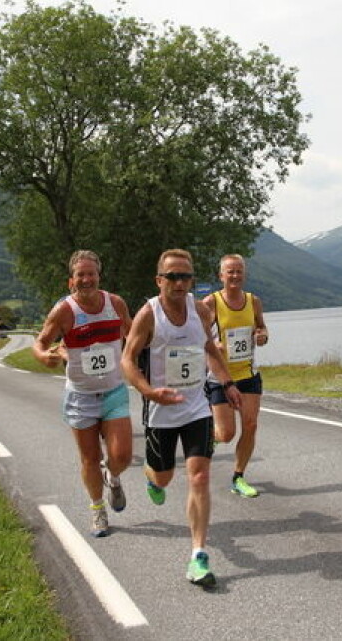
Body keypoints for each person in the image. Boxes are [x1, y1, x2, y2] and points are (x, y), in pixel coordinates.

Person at [121, 248, 241, 588]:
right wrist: (148, 391)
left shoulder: (200, 311)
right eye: (172, 276)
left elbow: (209, 349)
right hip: (160, 409)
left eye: (185, 276)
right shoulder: (148, 314)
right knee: (163, 478)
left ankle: (198, 555)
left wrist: (227, 382)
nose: (179, 282)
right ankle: (151, 477)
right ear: (159, 280)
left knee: (200, 476)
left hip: (196, 407)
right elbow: (127, 360)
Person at [32, 250, 133, 538]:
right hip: (81, 396)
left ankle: (112, 476)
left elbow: (136, 334)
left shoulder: (115, 304)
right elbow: (39, 343)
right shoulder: (64, 311)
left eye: (91, 274)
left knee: (122, 455)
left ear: (99, 277)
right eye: (81, 275)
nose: (86, 279)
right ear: (71, 281)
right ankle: (97, 509)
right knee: (89, 458)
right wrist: (45, 357)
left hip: (113, 391)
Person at [202, 254, 269, 498]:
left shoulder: (254, 301)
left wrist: (262, 335)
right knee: (226, 434)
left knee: (250, 425)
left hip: (248, 375)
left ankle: (238, 477)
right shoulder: (210, 302)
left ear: (244, 274)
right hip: (220, 377)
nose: (235, 276)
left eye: (239, 271)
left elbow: (261, 327)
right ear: (221, 275)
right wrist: (213, 344)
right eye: (230, 271)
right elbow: (195, 337)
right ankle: (209, 436)